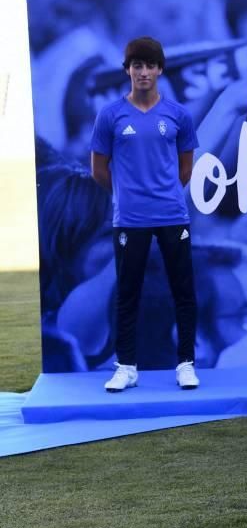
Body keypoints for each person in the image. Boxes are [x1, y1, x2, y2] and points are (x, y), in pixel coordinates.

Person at [90, 36, 200, 392]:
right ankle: (126, 366)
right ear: (127, 70)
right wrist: (127, 196)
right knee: (127, 292)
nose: (143, 72)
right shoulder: (110, 116)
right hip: (130, 220)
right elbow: (98, 170)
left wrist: (162, 194)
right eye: (137, 66)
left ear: (159, 70)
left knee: (183, 290)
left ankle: (185, 363)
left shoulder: (178, 115)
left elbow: (186, 169)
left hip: (172, 215)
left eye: (150, 65)